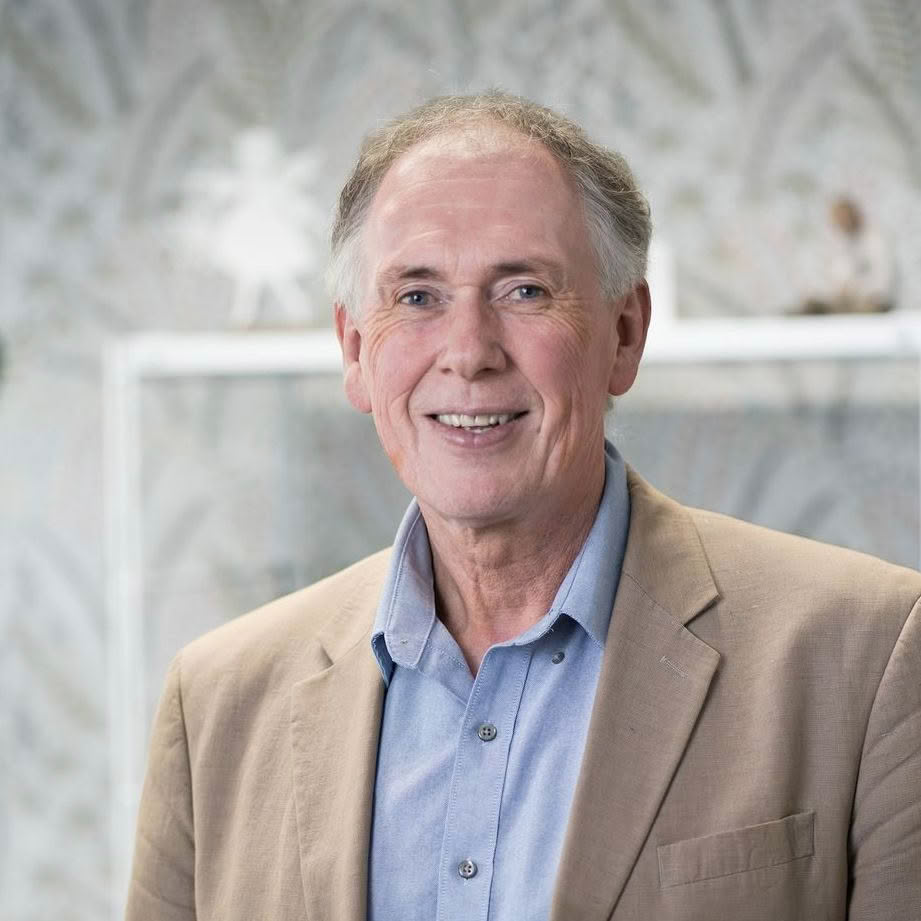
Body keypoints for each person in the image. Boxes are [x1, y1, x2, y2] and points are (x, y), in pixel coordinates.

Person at [126, 93, 921, 921]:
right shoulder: (216, 702)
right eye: (417, 296)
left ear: (624, 333)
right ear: (355, 351)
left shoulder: (866, 654)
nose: (468, 352)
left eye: (525, 290)